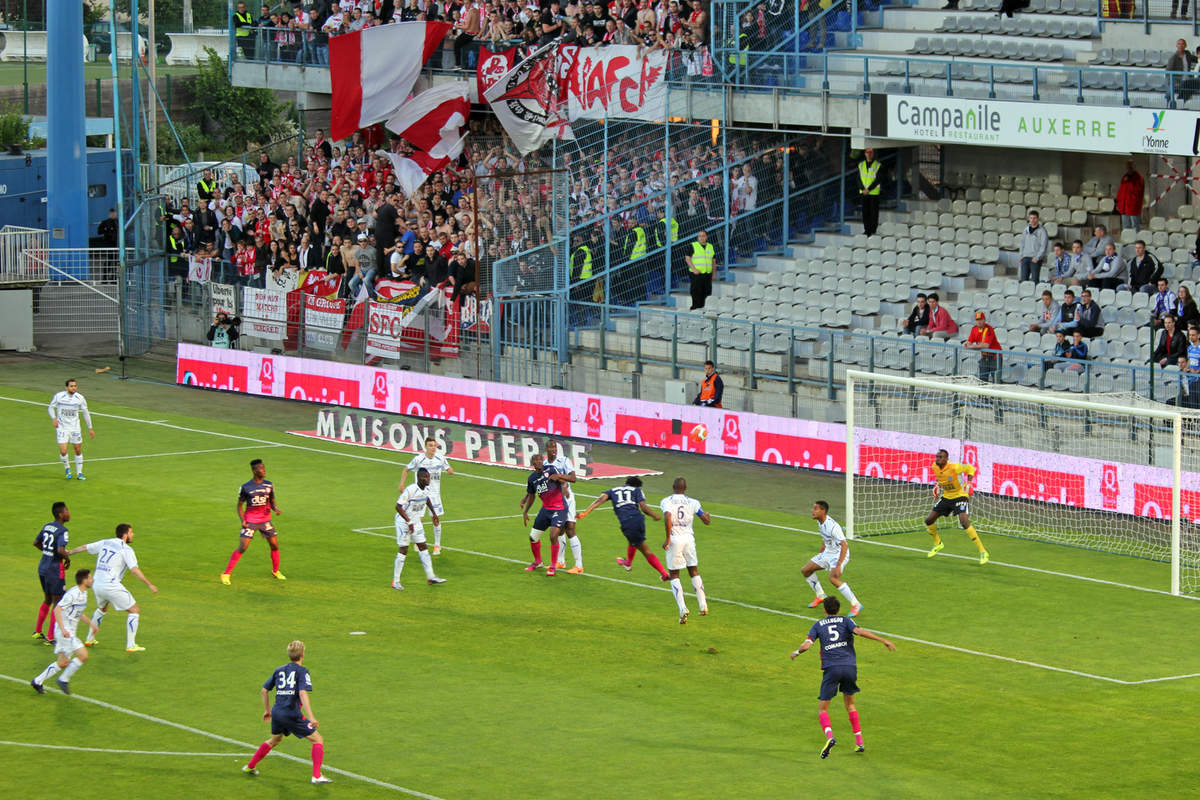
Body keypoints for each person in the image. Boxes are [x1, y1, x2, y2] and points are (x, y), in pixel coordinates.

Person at [788, 595, 896, 759]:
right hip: (849, 667)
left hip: (832, 669)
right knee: (850, 704)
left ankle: (830, 737)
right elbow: (859, 632)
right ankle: (859, 742)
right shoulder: (846, 621)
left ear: (825, 610)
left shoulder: (817, 625)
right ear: (838, 609)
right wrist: (883, 640)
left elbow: (807, 645)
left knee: (823, 709)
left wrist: (796, 652)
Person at [242, 640, 332, 784]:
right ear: (303, 655)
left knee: (275, 740)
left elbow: (264, 691)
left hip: (277, 713)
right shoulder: (302, 671)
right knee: (318, 739)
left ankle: (250, 766)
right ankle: (316, 776)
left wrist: (267, 711)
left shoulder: (279, 670)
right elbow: (302, 693)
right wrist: (311, 717)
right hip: (291, 713)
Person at [66, 523, 157, 652]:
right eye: (131, 532)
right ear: (125, 535)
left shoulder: (106, 542)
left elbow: (85, 547)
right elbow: (134, 570)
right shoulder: (126, 549)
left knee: (102, 608)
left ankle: (89, 639)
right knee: (134, 610)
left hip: (96, 584)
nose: (133, 535)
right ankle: (131, 645)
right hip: (111, 585)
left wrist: (69, 553)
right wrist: (149, 584)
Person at [577, 476, 670, 579]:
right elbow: (643, 507)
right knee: (633, 540)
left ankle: (664, 574)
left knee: (645, 550)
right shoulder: (637, 490)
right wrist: (654, 515)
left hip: (628, 522)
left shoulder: (612, 490)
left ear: (626, 482)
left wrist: (585, 512)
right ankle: (628, 562)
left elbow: (599, 500)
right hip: (639, 520)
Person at [30, 569, 99, 695]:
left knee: (62, 663)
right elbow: (57, 609)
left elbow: (79, 613)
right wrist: (63, 629)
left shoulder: (84, 594)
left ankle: (37, 681)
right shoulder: (72, 594)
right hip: (65, 632)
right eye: (90, 578)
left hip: (69, 631)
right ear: (84, 580)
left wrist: (91, 624)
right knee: (83, 655)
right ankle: (63, 680)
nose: (92, 580)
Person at [222, 459, 286, 585]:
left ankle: (275, 571)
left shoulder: (269, 485)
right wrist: (243, 520)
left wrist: (275, 509)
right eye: (261, 468)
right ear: (254, 471)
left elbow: (271, 500)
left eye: (264, 468)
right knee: (243, 547)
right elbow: (239, 506)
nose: (264, 470)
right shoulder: (246, 487)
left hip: (265, 520)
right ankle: (226, 574)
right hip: (251, 521)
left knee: (274, 545)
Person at [660, 476, 712, 624]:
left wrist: (668, 539)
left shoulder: (667, 501)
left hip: (675, 540)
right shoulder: (693, 502)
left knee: (674, 574)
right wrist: (708, 517)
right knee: (693, 571)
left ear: (673, 487)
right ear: (685, 488)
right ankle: (703, 604)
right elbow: (706, 520)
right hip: (689, 540)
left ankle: (683, 608)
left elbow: (668, 516)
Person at [925, 449, 988, 565]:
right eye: (937, 456)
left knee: (964, 522)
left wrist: (969, 482)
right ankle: (938, 543)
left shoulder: (955, 467)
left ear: (946, 459)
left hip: (960, 496)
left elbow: (970, 468)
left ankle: (983, 551)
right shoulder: (934, 466)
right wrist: (937, 485)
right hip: (947, 497)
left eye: (940, 457)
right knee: (929, 520)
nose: (937, 459)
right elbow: (941, 477)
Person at [801, 501, 862, 617]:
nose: (812, 511)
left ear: (823, 511)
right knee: (806, 570)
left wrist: (838, 565)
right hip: (828, 553)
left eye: (815, 509)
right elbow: (826, 538)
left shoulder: (833, 527)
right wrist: (821, 552)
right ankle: (820, 595)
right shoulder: (820, 522)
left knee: (833, 578)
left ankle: (856, 604)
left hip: (838, 554)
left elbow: (844, 546)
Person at [392, 468, 447, 589]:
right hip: (403, 523)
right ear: (419, 478)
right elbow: (398, 506)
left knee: (423, 547)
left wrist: (434, 514)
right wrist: (409, 521)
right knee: (403, 549)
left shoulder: (426, 489)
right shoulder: (411, 490)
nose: (428, 479)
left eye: (429, 477)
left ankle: (431, 577)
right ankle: (396, 581)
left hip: (416, 522)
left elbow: (427, 499)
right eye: (426, 477)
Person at [400, 437, 454, 556]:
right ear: (425, 447)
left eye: (434, 446)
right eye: (430, 445)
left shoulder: (440, 458)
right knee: (418, 519)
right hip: (420, 494)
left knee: (435, 519)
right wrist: (402, 484)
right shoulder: (419, 459)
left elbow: (448, 468)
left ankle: (437, 545)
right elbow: (406, 469)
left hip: (434, 495)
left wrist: (450, 470)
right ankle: (418, 541)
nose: (433, 448)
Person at [520, 454, 571, 576]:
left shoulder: (551, 469)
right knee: (533, 538)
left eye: (540, 460)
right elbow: (532, 496)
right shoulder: (532, 478)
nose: (538, 462)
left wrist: (564, 488)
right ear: (532, 463)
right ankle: (538, 562)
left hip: (559, 508)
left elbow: (563, 480)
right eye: (535, 460)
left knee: (553, 536)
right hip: (545, 510)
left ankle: (553, 566)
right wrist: (525, 511)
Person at [32, 501, 71, 645]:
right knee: (58, 603)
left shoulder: (47, 526)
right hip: (55, 570)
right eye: (66, 511)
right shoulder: (63, 530)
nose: (68, 513)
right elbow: (61, 550)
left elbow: (36, 542)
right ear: (60, 514)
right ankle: (50, 637)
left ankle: (38, 631)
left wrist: (47, 552)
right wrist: (67, 558)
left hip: (43, 567)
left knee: (47, 599)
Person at [545, 440, 584, 573]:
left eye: (555, 447)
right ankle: (560, 562)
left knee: (570, 529)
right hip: (555, 500)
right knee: (559, 530)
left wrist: (560, 477)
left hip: (567, 499)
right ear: (546, 449)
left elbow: (573, 478)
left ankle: (579, 565)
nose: (554, 449)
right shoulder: (544, 464)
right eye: (551, 447)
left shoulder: (564, 461)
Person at [48, 378, 94, 481]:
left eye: (75, 386)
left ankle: (79, 473)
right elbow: (50, 407)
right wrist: (54, 418)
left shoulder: (80, 398)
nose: (74, 388)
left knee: (77, 449)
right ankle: (67, 469)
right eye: (71, 386)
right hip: (62, 427)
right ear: (66, 387)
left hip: (75, 428)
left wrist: (90, 428)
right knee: (63, 451)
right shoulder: (59, 396)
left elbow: (86, 413)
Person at [965, 311, 1002, 382]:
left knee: (996, 380)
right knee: (982, 379)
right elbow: (969, 342)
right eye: (977, 320)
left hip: (995, 357)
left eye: (981, 319)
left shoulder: (989, 329)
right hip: (985, 357)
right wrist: (967, 344)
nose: (979, 322)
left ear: (984, 320)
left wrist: (971, 346)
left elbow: (985, 345)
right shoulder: (974, 329)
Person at [686, 229, 716, 310]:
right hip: (697, 274)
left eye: (703, 236)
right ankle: (695, 309)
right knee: (696, 293)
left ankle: (704, 309)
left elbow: (713, 261)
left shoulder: (710, 246)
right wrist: (694, 269)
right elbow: (687, 258)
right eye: (699, 236)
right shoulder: (693, 245)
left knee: (707, 293)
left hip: (707, 274)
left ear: (706, 237)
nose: (701, 238)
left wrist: (714, 273)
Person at [1017, 210, 1048, 284]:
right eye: (1031, 218)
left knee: (1034, 280)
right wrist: (1021, 255)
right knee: (1023, 280)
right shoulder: (1026, 229)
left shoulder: (1042, 231)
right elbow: (1022, 243)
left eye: (1034, 218)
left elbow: (1043, 245)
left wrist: (1037, 257)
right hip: (1025, 257)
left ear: (1038, 219)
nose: (1032, 220)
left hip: (1035, 259)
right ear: (1029, 219)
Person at [858, 148, 882, 237]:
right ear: (865, 154)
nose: (869, 154)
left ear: (873, 153)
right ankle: (867, 230)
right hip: (864, 193)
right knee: (865, 212)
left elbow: (878, 179)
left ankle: (873, 230)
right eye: (867, 152)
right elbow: (858, 179)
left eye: (871, 152)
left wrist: (869, 189)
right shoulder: (861, 165)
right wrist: (863, 189)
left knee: (874, 213)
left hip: (873, 193)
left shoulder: (878, 165)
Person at [1116, 160, 1145, 232]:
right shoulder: (1125, 177)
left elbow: (1137, 192)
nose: (1129, 168)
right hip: (1124, 207)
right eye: (1128, 166)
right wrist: (1118, 202)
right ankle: (1127, 238)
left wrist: (1130, 181)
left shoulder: (1138, 178)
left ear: (1134, 167)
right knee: (1125, 226)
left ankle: (1136, 239)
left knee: (1135, 226)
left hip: (1133, 207)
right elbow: (1121, 190)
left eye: (1130, 166)